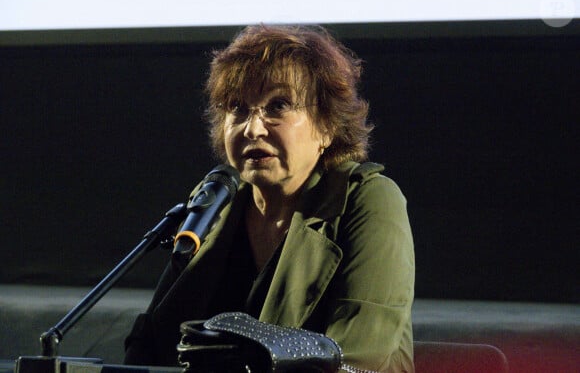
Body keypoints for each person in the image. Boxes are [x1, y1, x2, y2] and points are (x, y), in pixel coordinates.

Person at [124, 24, 415, 372]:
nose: (253, 128)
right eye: (237, 108)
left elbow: (357, 357)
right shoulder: (217, 209)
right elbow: (152, 344)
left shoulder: (367, 200)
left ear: (326, 126)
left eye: (277, 105)